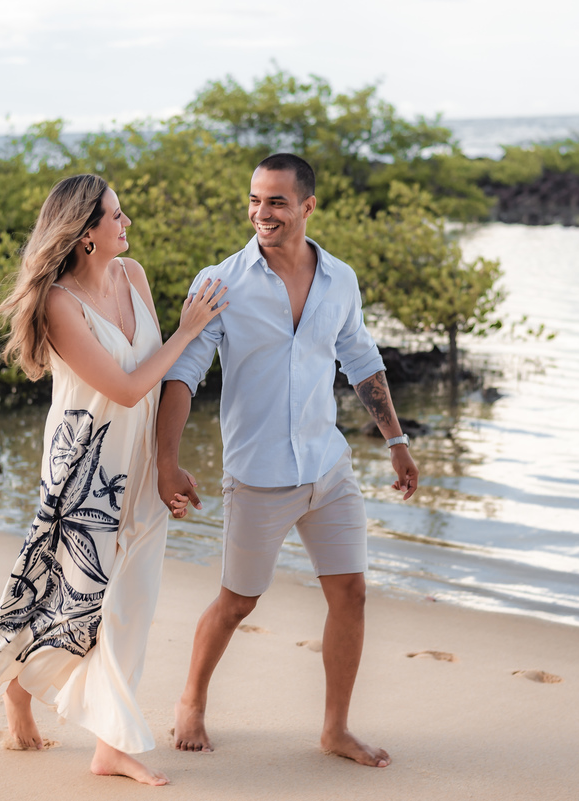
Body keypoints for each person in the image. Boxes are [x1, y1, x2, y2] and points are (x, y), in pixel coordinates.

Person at [156, 153, 419, 769]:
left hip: (328, 468)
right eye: (254, 200)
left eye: (275, 201)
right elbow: (183, 376)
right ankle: (191, 700)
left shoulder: (340, 279)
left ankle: (335, 729)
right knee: (238, 602)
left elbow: (359, 356)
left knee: (351, 593)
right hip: (258, 475)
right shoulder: (218, 282)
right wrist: (167, 461)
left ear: (307, 206)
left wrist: (397, 441)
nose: (261, 212)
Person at [0, 174, 227, 786]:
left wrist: (168, 462)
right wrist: (190, 330)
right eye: (115, 214)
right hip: (85, 463)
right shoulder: (59, 304)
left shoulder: (132, 276)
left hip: (139, 456)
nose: (126, 221)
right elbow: (127, 385)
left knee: (135, 595)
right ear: (85, 235)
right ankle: (19, 689)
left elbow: (156, 384)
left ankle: (106, 741)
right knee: (75, 595)